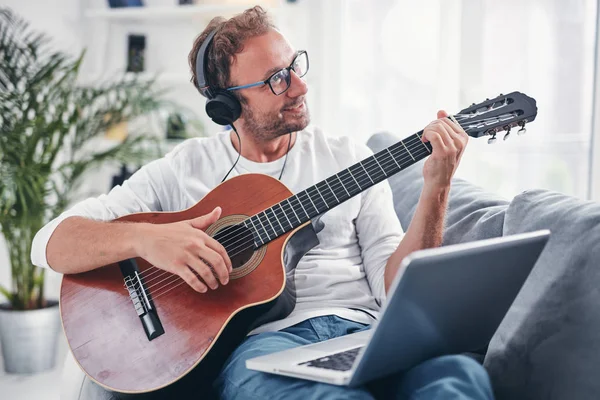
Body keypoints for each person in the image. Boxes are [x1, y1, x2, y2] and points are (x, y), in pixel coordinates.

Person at [31, 6, 493, 400]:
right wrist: (148, 240)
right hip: (265, 349)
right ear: (227, 107)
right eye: (276, 80)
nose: (299, 87)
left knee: (460, 379)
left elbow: (396, 290)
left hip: (364, 332)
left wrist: (437, 188)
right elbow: (48, 243)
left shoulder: (349, 158)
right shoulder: (184, 169)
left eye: (295, 66)